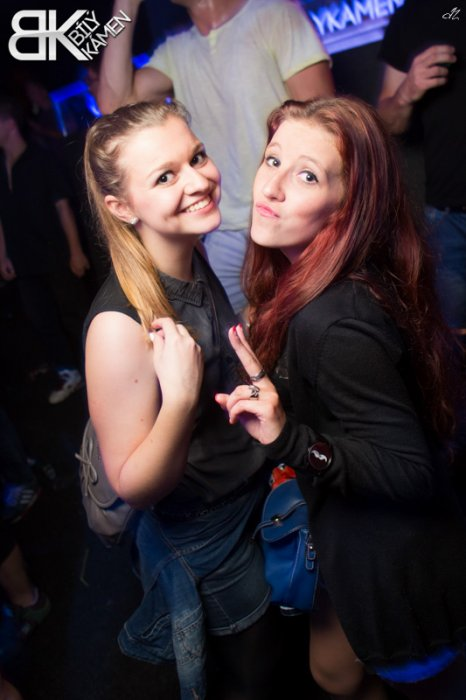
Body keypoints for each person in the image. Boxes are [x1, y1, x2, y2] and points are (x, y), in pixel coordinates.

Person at [215, 97, 466, 700]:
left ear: (346, 206)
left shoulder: (332, 321)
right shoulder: (322, 278)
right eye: (273, 160)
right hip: (357, 546)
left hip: (399, 573)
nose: (272, 187)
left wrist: (290, 438)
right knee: (332, 671)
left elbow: (408, 471)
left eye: (307, 176)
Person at [82, 98, 282, 700]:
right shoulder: (118, 326)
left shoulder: (189, 252)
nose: (198, 180)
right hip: (207, 534)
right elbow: (134, 485)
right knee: (254, 678)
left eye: (196, 157)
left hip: (251, 495)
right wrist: (179, 400)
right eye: (165, 176)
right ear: (121, 206)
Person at [96, 0, 334, 313]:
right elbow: (113, 105)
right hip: (223, 229)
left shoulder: (275, 14)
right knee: (227, 335)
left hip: (288, 216)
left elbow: (327, 132)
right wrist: (124, 7)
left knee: (311, 325)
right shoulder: (176, 48)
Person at [376, 0, 466, 335]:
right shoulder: (413, 16)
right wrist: (406, 92)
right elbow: (387, 123)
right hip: (446, 216)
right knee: (452, 341)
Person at [0, 96, 90, 404]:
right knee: (42, 319)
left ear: (9, 123)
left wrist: (76, 251)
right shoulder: (1, 168)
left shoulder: (41, 158)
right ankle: (69, 373)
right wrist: (3, 254)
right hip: (23, 258)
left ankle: (98, 372)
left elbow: (63, 207)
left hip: (54, 253)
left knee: (74, 314)